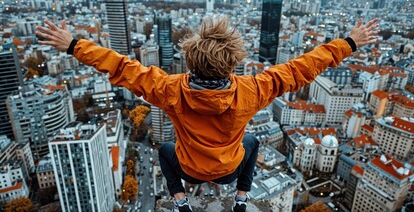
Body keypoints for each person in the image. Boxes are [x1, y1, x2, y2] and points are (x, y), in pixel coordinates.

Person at [36, 16, 379, 212]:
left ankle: (181, 200)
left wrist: (72, 44)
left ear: (189, 61)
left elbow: (123, 68)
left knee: (163, 150)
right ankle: (243, 198)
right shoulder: (252, 90)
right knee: (254, 140)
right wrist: (348, 42)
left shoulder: (170, 89)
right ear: (233, 63)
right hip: (229, 172)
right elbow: (301, 68)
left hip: (189, 170)